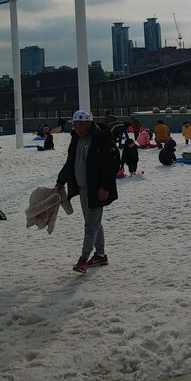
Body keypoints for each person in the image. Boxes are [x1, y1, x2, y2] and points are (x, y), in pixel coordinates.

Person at [56, 110, 120, 274]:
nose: (76, 128)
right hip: (82, 187)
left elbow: (112, 163)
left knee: (90, 224)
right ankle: (100, 255)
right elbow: (70, 162)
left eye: (79, 124)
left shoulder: (102, 139)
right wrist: (61, 180)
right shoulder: (76, 139)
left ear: (89, 124)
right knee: (93, 221)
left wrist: (105, 187)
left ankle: (84, 259)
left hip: (97, 188)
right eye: (74, 124)